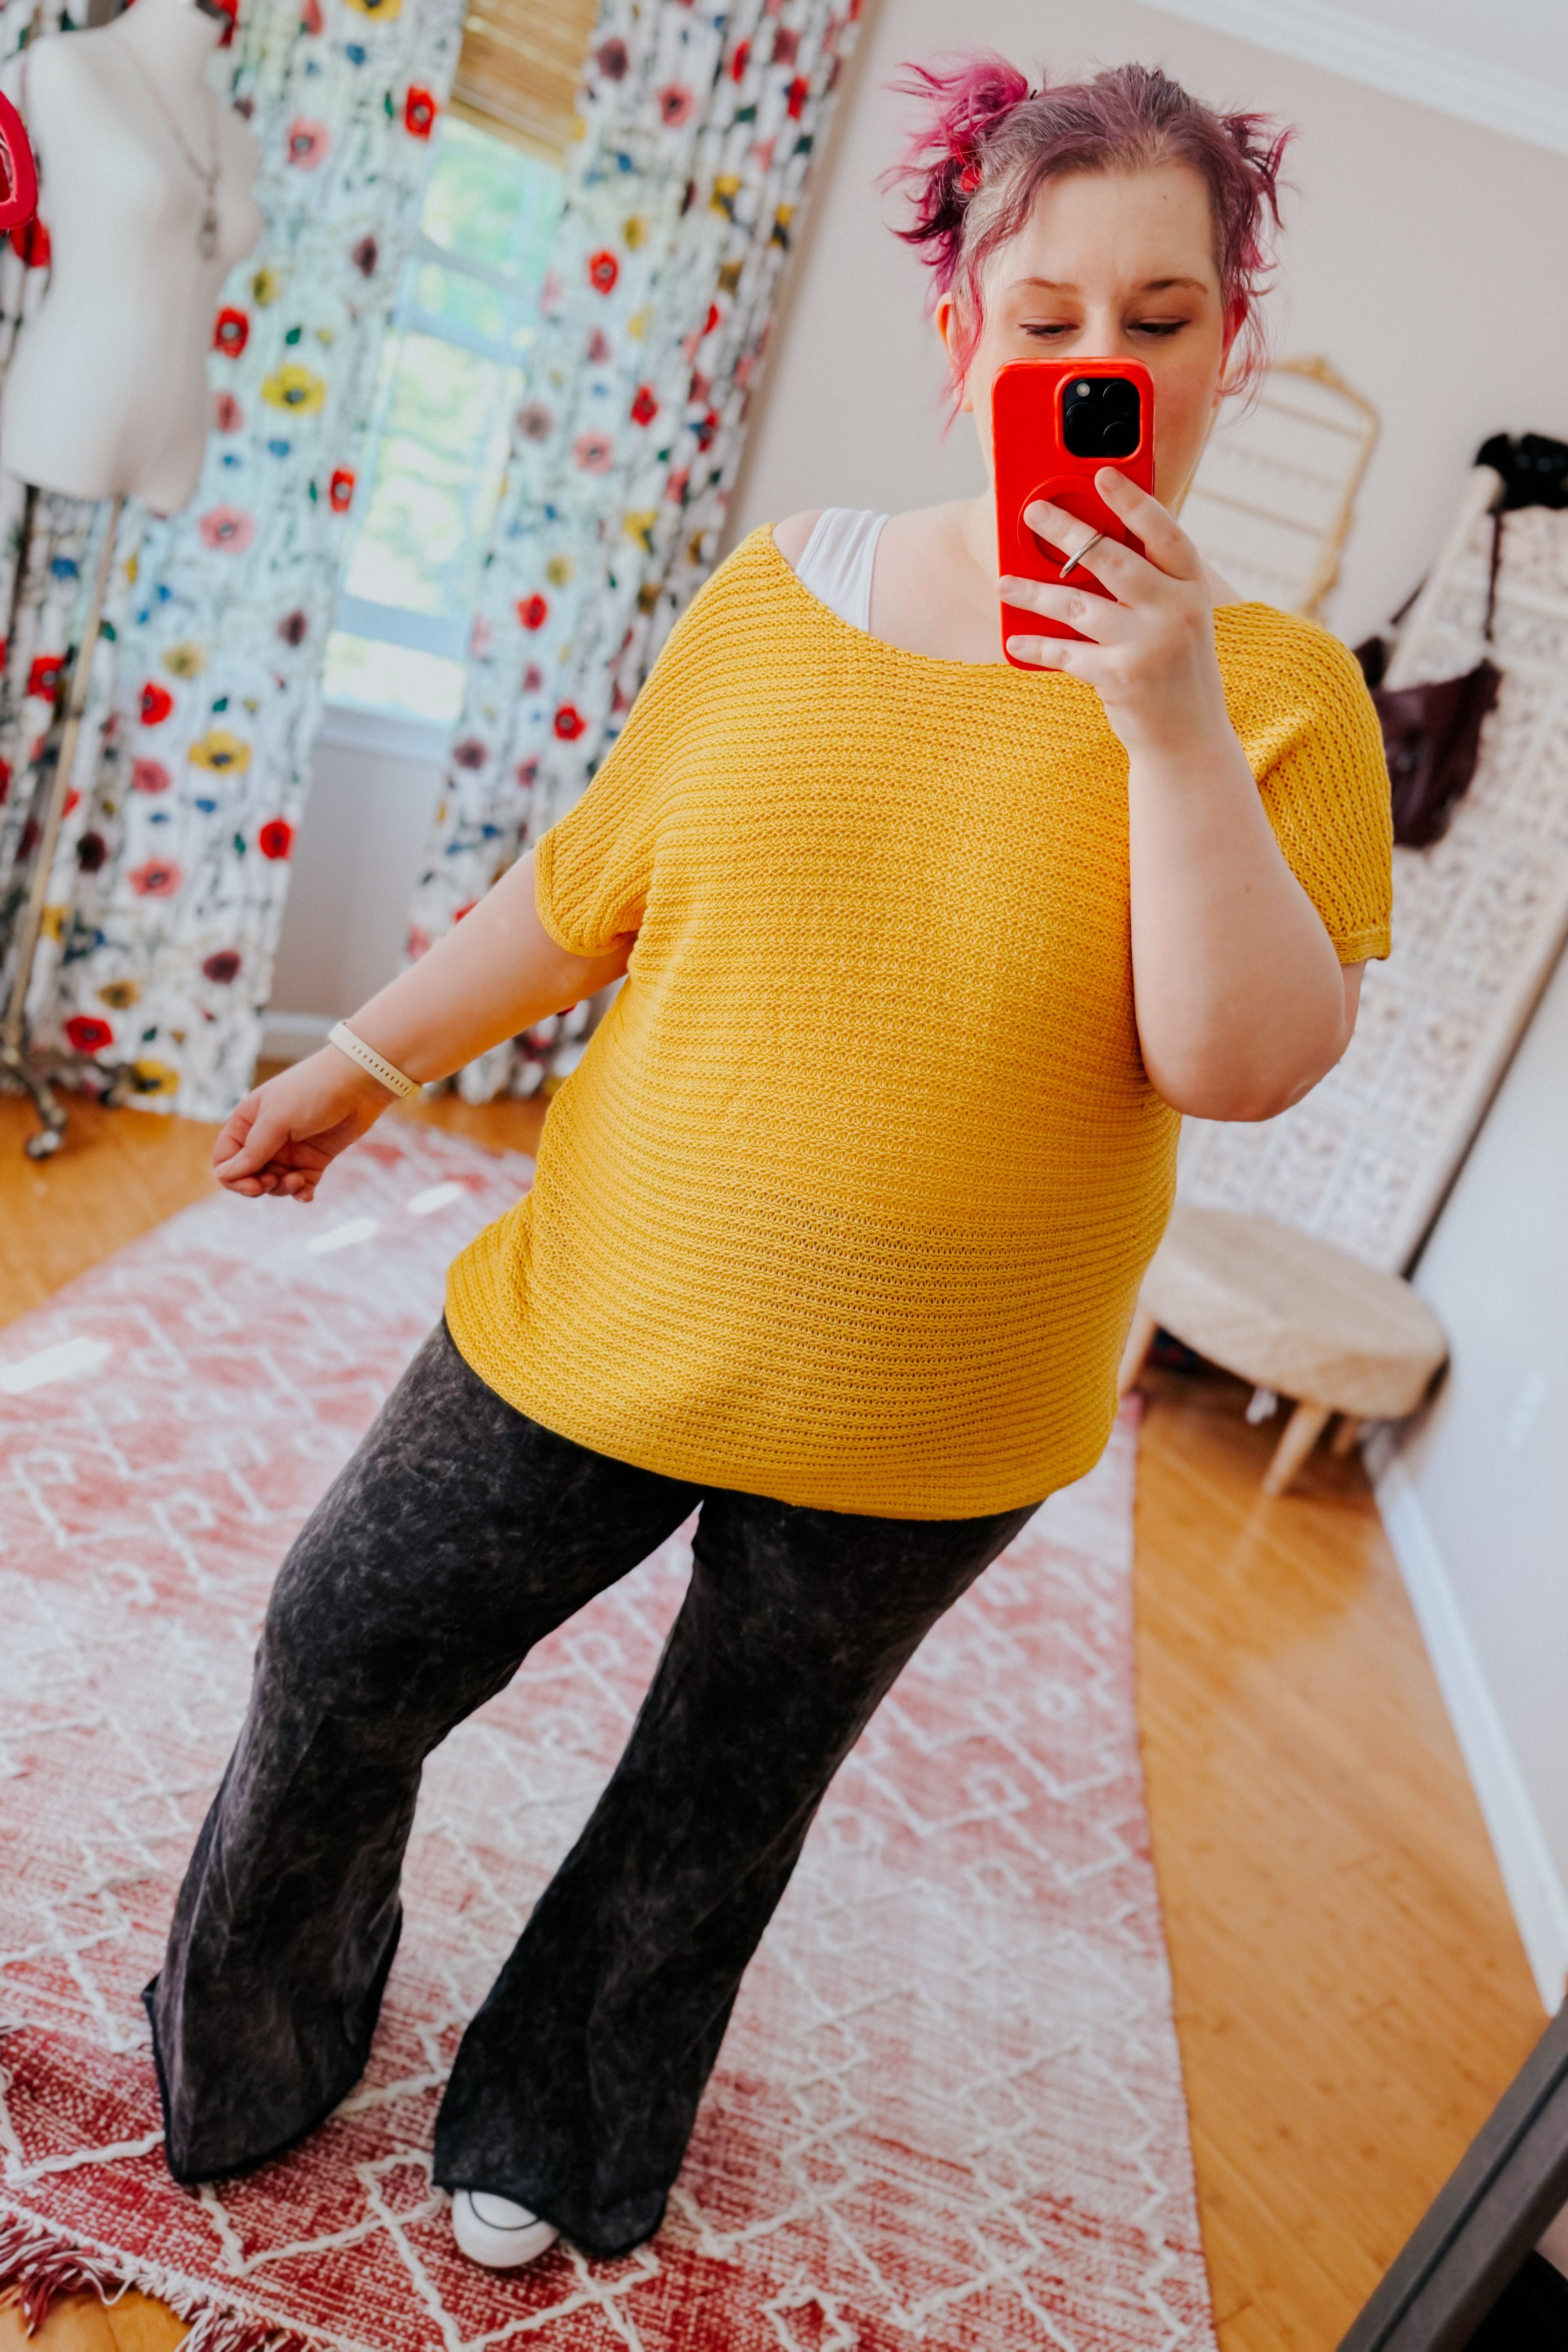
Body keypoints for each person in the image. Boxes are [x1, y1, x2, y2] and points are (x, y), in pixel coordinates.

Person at [144, 54, 1393, 2272]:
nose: (1100, 366)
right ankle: (258, 2021)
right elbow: (583, 885)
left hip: (932, 1412)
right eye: (1046, 320)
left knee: (717, 1796)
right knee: (342, 1637)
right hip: (606, 1307)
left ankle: (558, 2108)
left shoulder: (1276, 691)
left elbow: (1238, 1062)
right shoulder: (772, 592)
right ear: (959, 339)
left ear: (1236, 342)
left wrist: (1166, 722)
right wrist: (359, 1053)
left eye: (1162, 316)